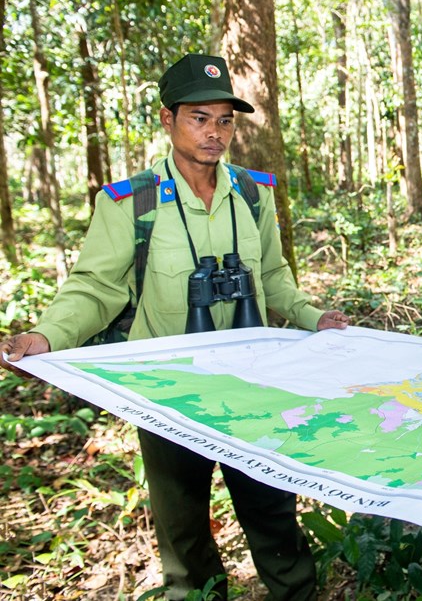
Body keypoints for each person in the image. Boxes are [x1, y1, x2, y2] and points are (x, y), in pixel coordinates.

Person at [0, 53, 350, 600]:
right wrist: (44, 337)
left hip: (252, 386)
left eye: (226, 120)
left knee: (274, 519)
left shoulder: (254, 195)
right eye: (199, 118)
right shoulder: (130, 204)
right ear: (168, 120)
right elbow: (95, 288)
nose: (215, 133)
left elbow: (274, 276)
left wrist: (313, 317)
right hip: (170, 392)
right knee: (184, 540)